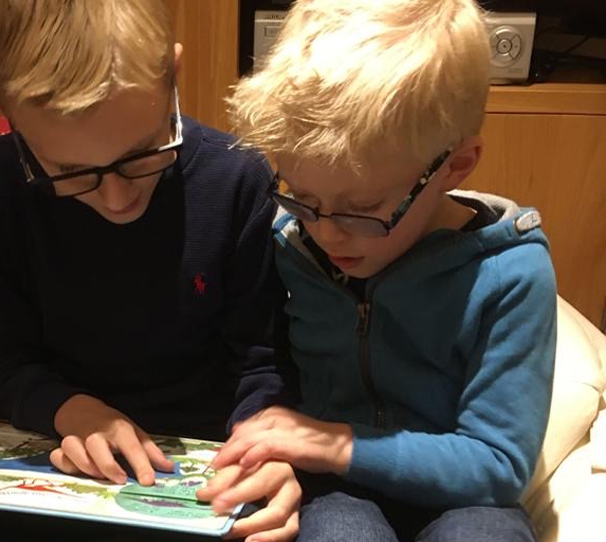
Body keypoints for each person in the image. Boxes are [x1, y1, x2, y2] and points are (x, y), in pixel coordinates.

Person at [0, 1, 299, 541]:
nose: (117, 198)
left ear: (171, 76)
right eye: (71, 171)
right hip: (54, 451)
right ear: (8, 115)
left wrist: (259, 447)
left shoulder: (237, 178)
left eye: (141, 154)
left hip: (192, 466)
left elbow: (263, 364)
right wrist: (74, 412)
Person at [199, 1, 558, 541]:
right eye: (303, 198)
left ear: (456, 165)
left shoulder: (512, 273)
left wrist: (333, 441)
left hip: (464, 495)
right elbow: (256, 364)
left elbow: (498, 468)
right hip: (333, 488)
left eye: (361, 208)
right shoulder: (288, 245)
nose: (325, 232)